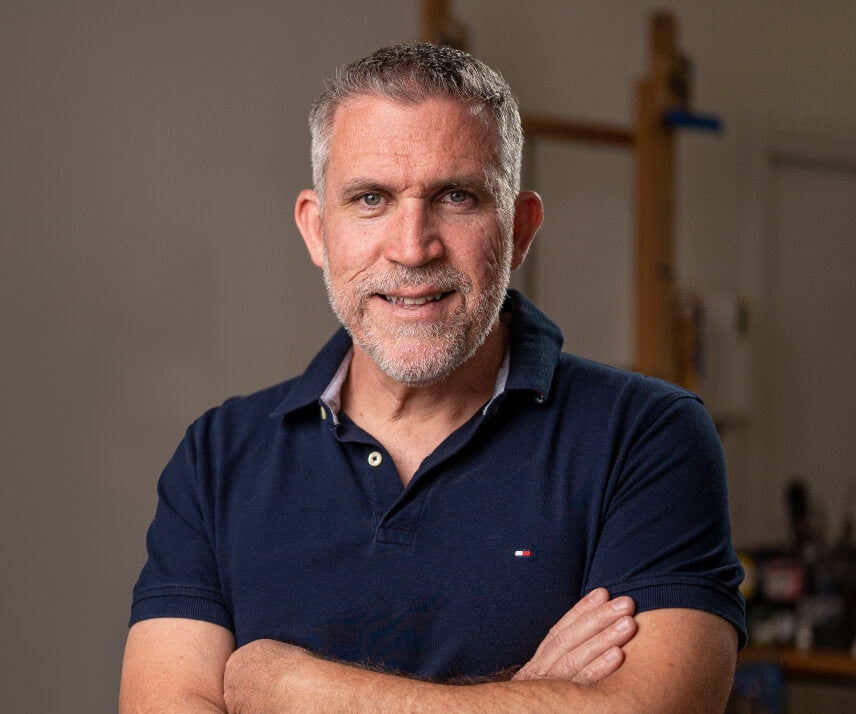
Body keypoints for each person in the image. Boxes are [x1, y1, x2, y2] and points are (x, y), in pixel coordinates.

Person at [120, 43, 745, 712]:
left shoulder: (647, 437)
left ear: (520, 229)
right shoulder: (218, 457)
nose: (414, 246)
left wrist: (293, 689)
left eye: (456, 196)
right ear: (316, 229)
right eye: (370, 199)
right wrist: (528, 696)